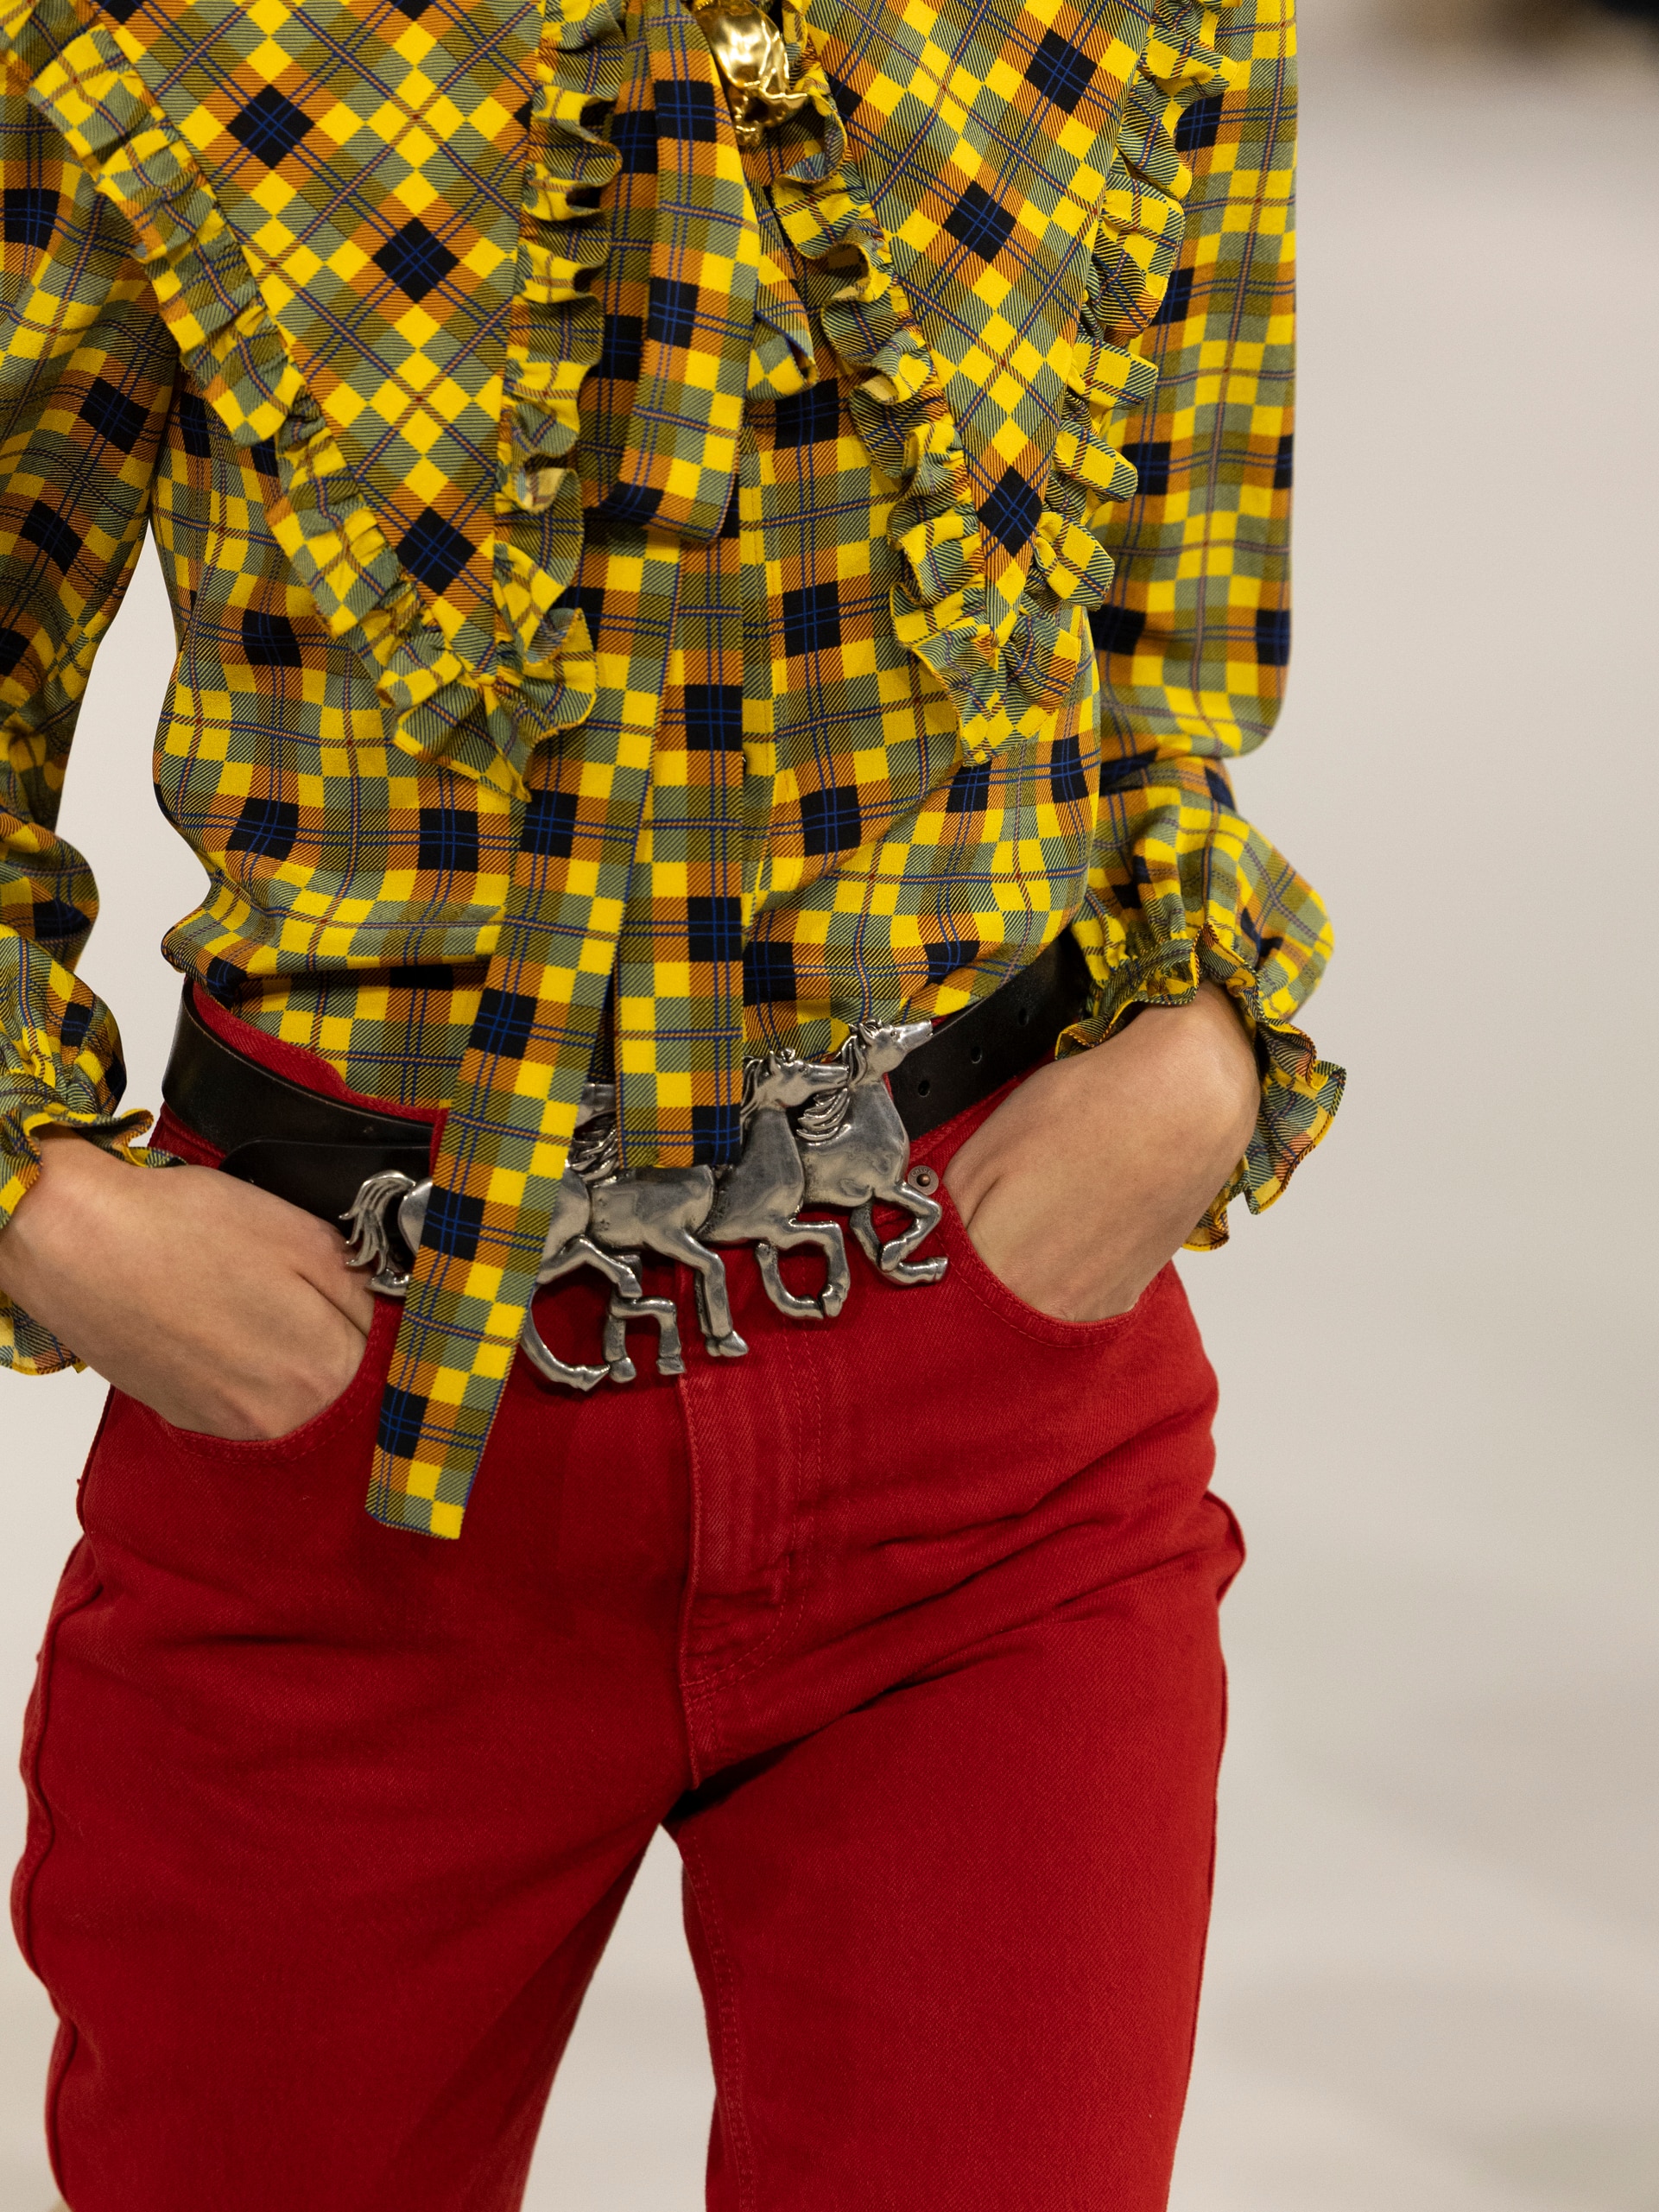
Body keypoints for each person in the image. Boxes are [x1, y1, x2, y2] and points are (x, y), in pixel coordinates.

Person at [0, 0, 1341, 2199]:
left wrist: (1193, 1046)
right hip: (352, 1426)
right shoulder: (145, 26)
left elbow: (1161, 621)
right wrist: (46, 1207)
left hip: (986, 1444)